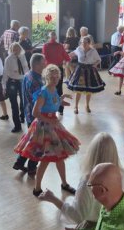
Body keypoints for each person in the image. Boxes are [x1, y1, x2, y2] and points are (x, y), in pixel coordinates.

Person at [14, 64, 79, 196]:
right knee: (45, 160)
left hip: (53, 124)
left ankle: (64, 183)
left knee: (59, 157)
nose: (55, 80)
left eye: (57, 77)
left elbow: (52, 102)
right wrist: (49, 120)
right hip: (43, 127)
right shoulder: (43, 91)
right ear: (47, 77)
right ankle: (37, 188)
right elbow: (35, 112)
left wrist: (60, 100)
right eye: (52, 77)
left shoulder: (53, 89)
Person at [12, 53, 46, 176]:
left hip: (28, 113)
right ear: (36, 65)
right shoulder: (36, 81)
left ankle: (19, 162)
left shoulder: (27, 75)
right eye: (43, 63)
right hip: (37, 116)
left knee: (31, 141)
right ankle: (32, 167)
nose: (45, 64)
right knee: (38, 144)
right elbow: (40, 101)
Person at [67, 35, 105, 113]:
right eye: (82, 42)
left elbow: (99, 60)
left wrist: (95, 64)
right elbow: (71, 54)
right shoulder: (79, 49)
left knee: (89, 89)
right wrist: (67, 57)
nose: (83, 44)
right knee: (78, 89)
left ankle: (87, 105)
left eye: (85, 43)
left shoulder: (93, 51)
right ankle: (76, 106)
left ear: (89, 43)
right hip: (80, 70)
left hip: (89, 70)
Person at [2, 42, 28, 132]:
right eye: (14, 49)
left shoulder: (23, 56)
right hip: (12, 82)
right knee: (14, 104)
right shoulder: (8, 59)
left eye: (18, 49)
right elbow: (5, 73)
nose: (16, 51)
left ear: (20, 49)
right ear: (11, 50)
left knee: (23, 101)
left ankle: (22, 116)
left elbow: (26, 68)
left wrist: (28, 79)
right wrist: (4, 86)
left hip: (22, 80)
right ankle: (17, 126)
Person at [42, 30, 69, 115]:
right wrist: (67, 60)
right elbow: (66, 57)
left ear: (49, 37)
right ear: (56, 37)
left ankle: (49, 108)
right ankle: (60, 109)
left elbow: (44, 58)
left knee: (49, 88)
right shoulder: (60, 46)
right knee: (59, 88)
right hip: (58, 69)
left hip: (49, 70)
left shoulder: (45, 46)